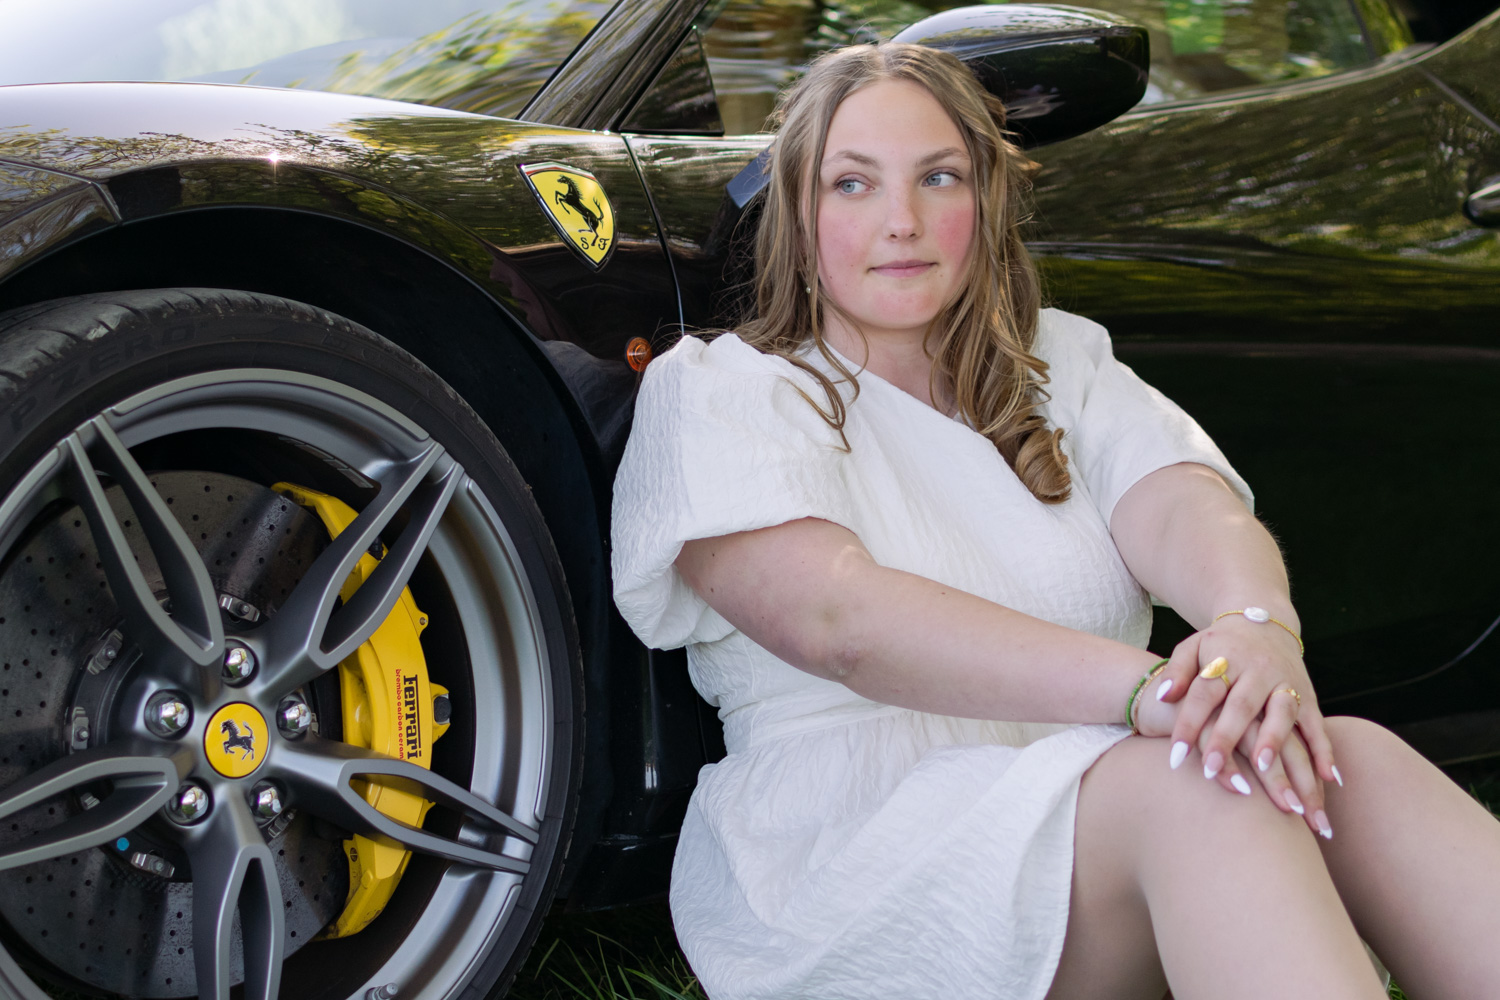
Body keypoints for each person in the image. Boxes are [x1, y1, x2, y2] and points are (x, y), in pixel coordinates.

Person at [610, 41, 1500, 1000]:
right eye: (852, 183)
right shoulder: (723, 392)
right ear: (797, 212)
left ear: (985, 199)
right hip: (857, 844)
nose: (902, 220)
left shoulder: (1057, 361)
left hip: (1102, 793)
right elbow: (838, 620)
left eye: (938, 177)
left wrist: (1256, 629)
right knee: (1206, 775)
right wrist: (1153, 692)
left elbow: (1182, 501)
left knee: (1349, 760)